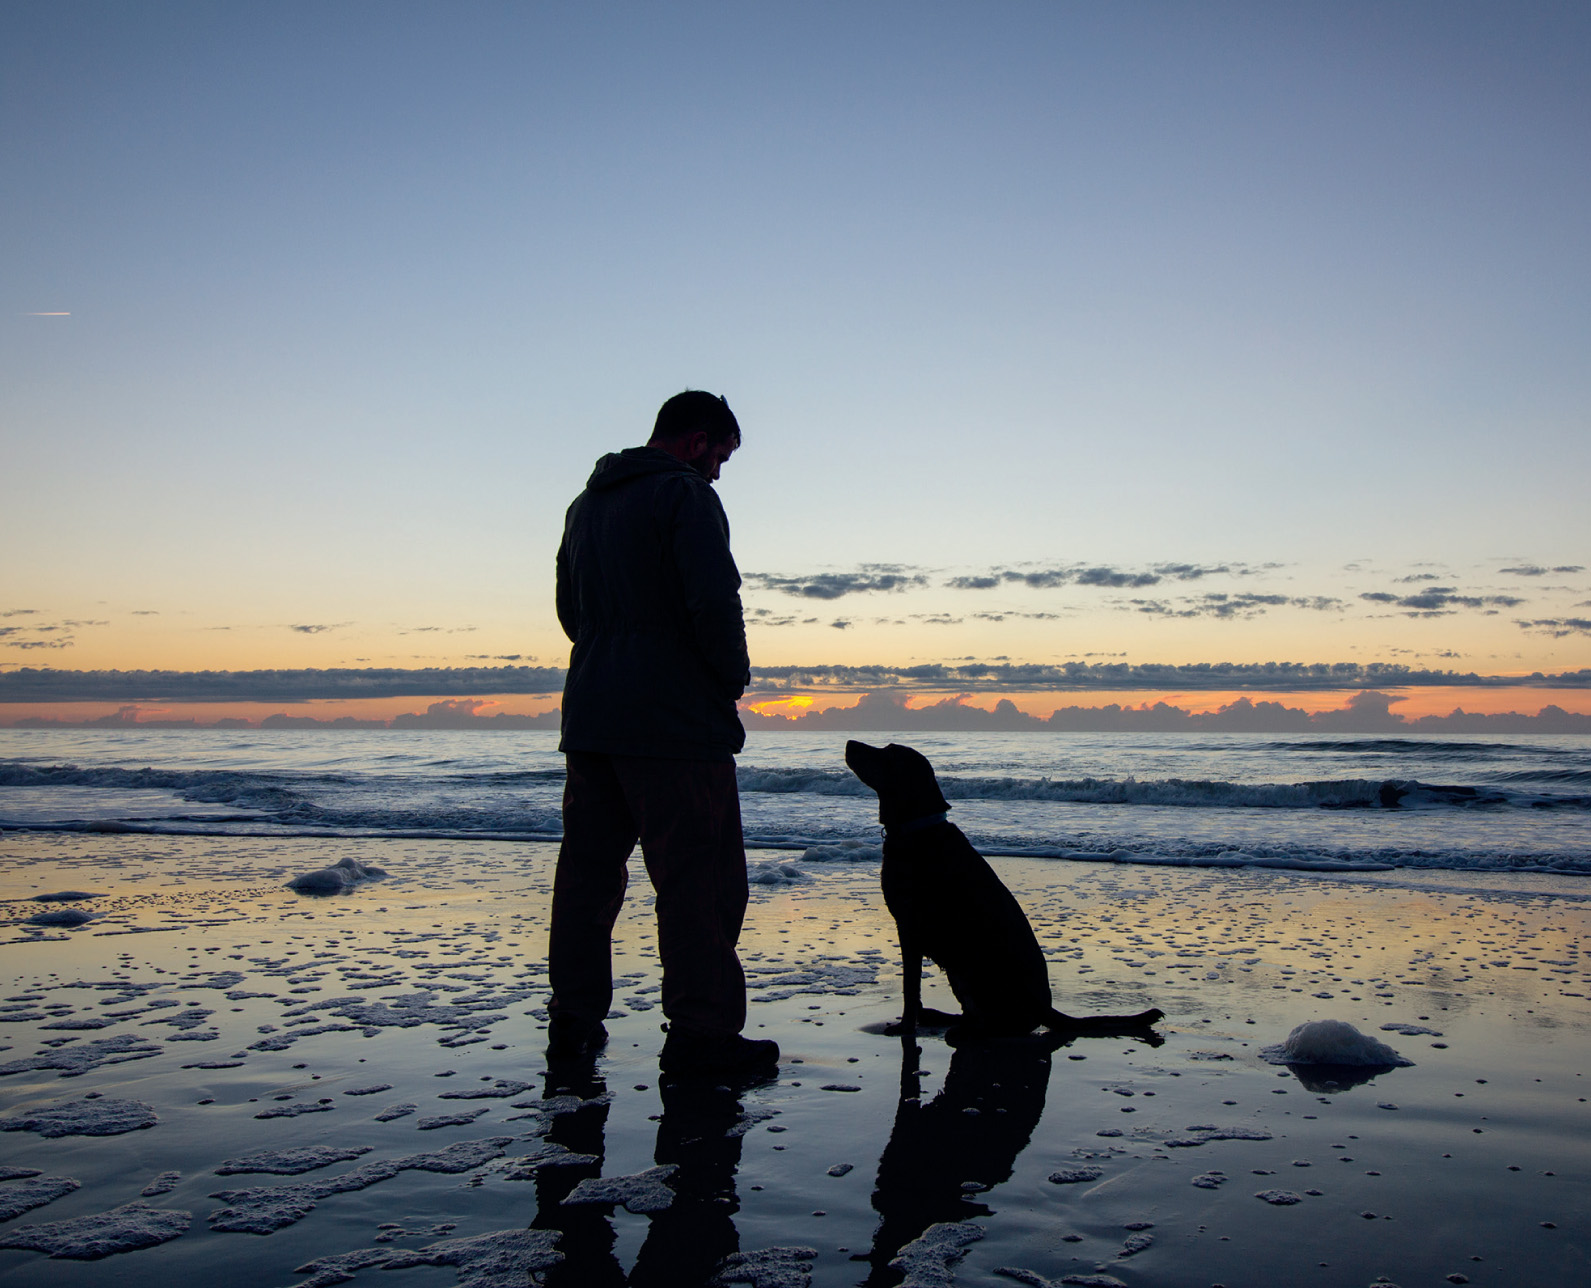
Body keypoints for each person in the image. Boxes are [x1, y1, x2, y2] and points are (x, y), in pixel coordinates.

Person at [548, 390, 779, 1077]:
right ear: (696, 438)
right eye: (721, 455)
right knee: (699, 882)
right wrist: (730, 679)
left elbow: (570, 611)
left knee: (588, 881)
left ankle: (574, 1023)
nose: (718, 472)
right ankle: (701, 1034)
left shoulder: (586, 504)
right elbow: (713, 599)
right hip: (675, 723)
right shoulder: (685, 496)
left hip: (592, 715)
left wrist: (614, 654)